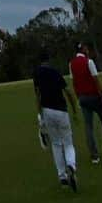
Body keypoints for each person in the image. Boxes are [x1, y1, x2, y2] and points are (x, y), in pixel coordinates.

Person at [32, 49, 78, 192]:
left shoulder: (37, 74)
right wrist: (75, 110)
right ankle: (71, 165)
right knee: (68, 143)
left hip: (47, 111)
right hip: (61, 110)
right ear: (49, 60)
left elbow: (38, 95)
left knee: (56, 144)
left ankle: (62, 176)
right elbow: (68, 92)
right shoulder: (56, 72)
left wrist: (40, 115)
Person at [69, 42, 102, 163]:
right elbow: (96, 80)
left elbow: (74, 83)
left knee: (88, 127)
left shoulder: (71, 64)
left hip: (83, 98)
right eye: (86, 48)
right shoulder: (89, 62)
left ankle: (94, 155)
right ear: (83, 50)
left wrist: (78, 98)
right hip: (94, 97)